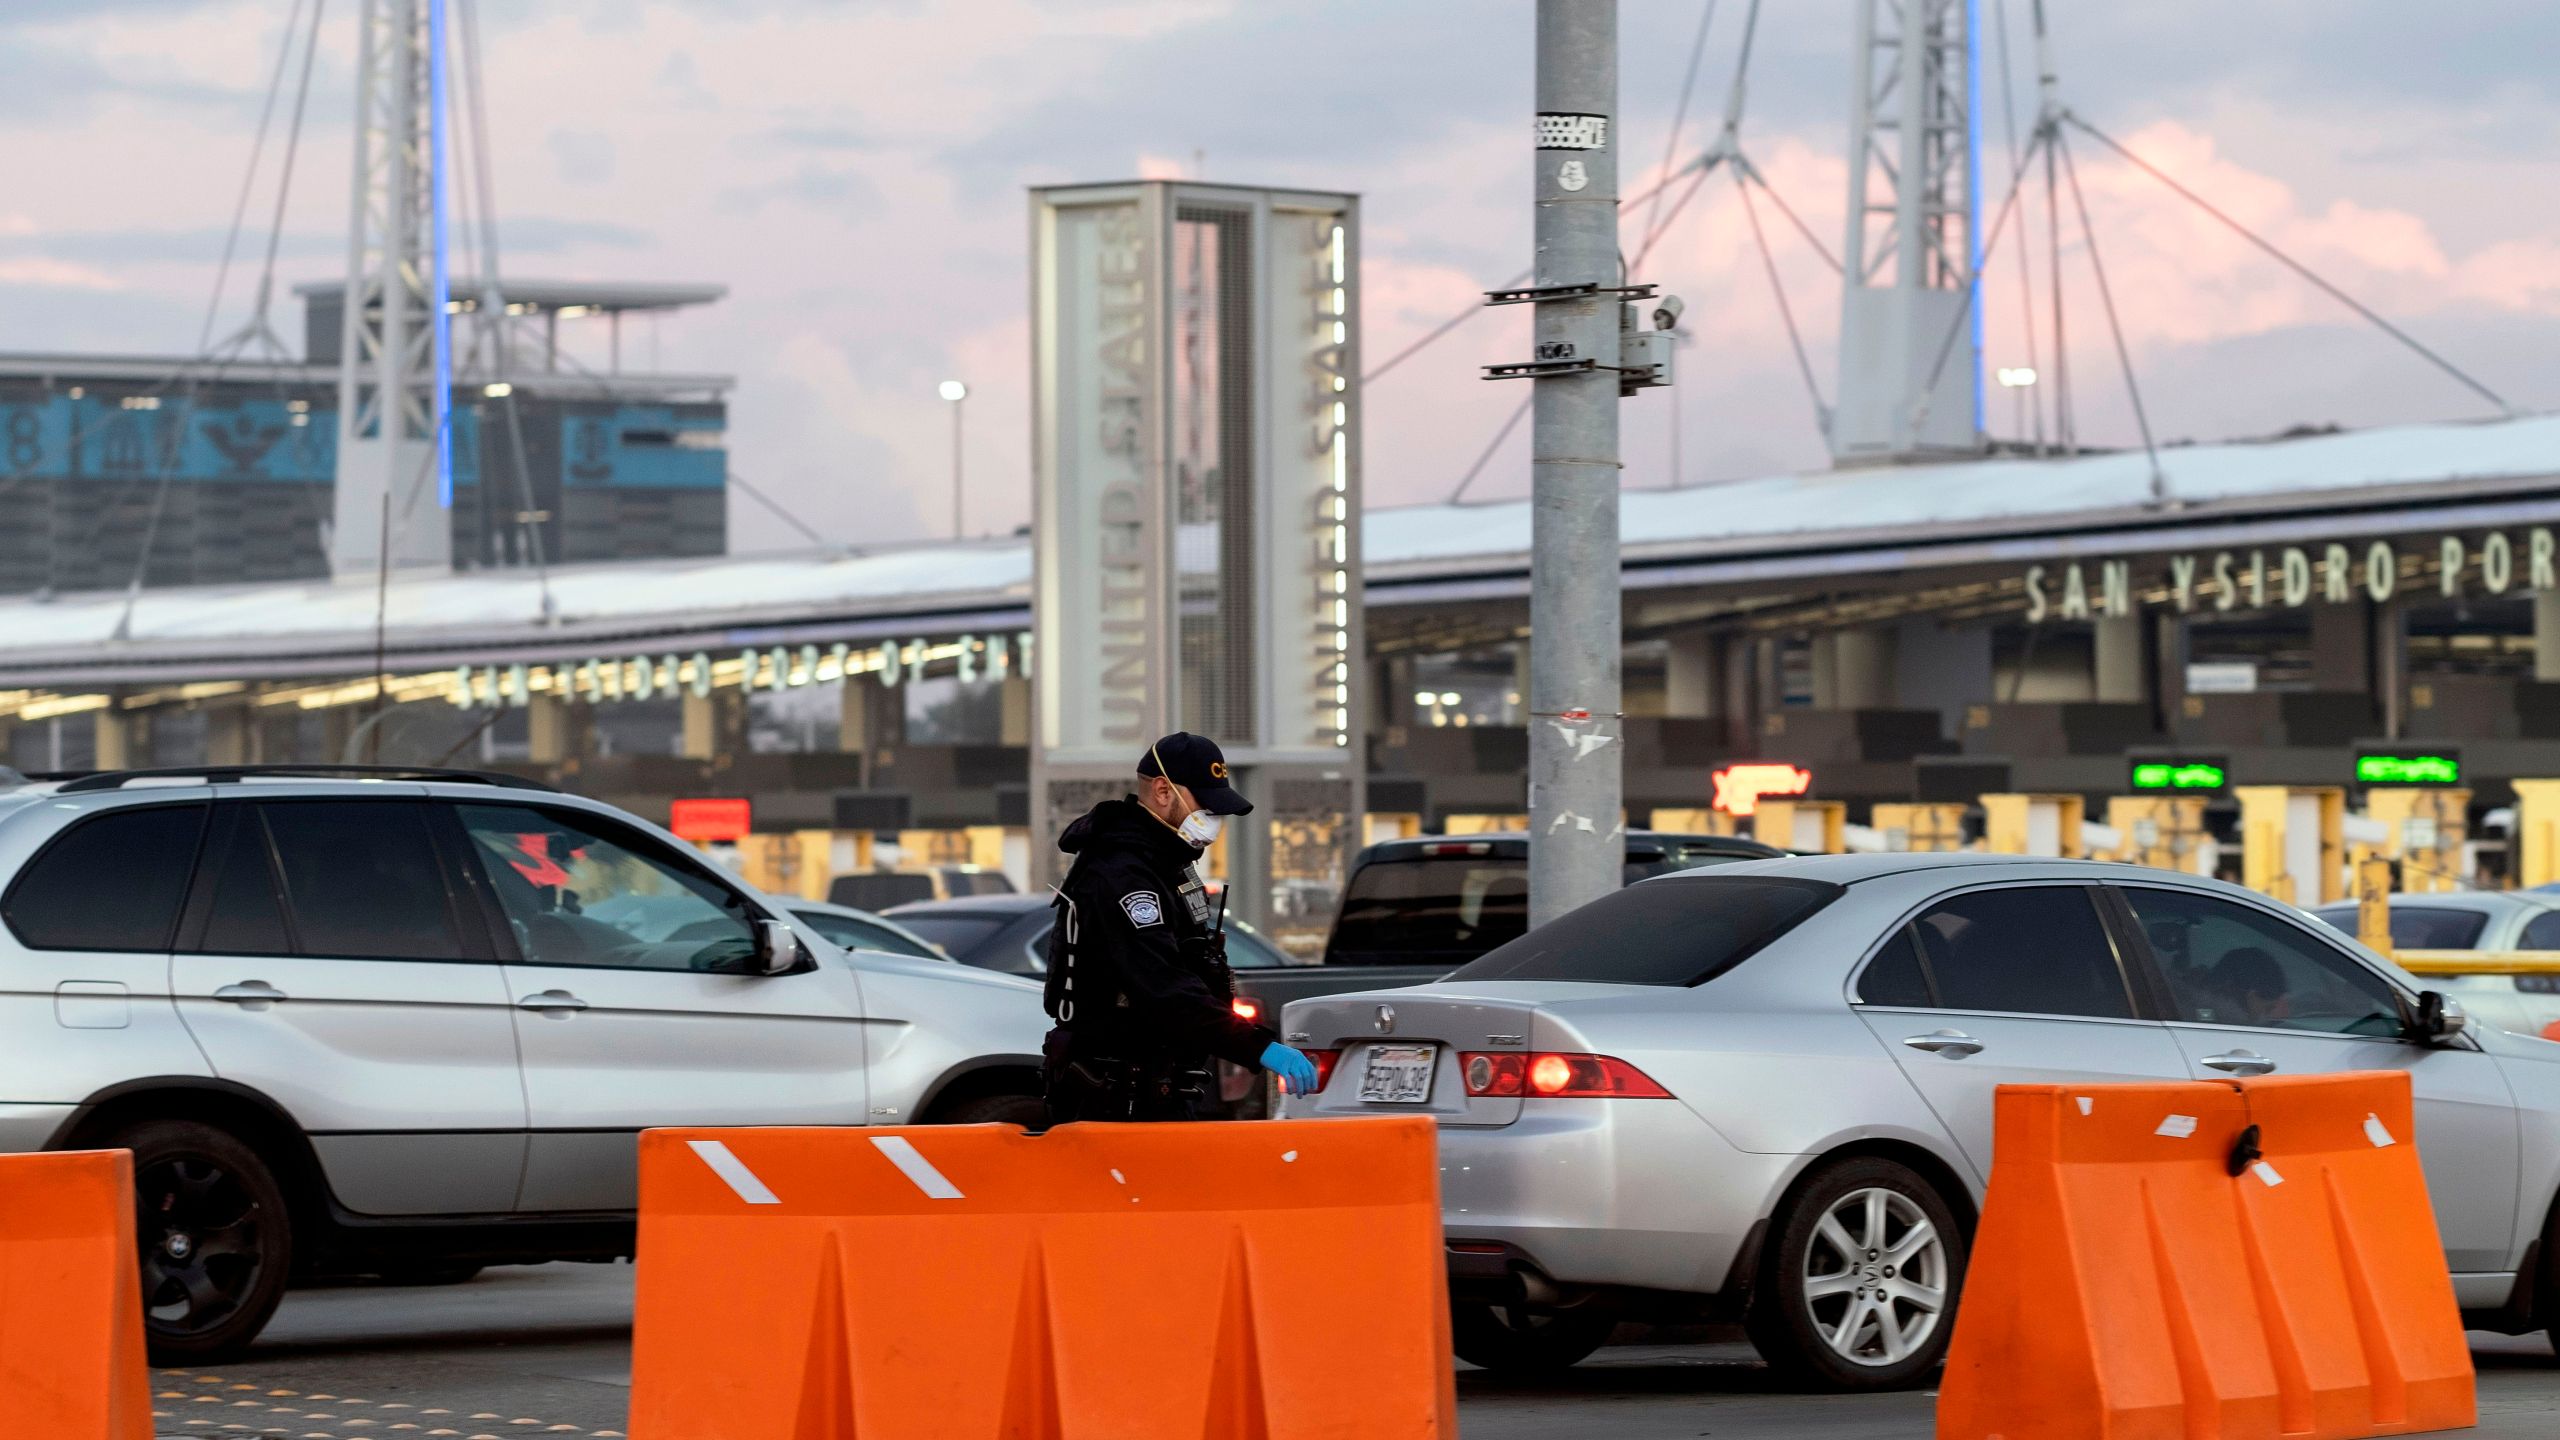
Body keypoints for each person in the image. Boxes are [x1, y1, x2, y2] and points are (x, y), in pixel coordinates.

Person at [1041, 732, 1322, 1123]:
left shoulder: (1165, 863)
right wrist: (1260, 1048)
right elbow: (1164, 990)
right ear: (1162, 791)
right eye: (1204, 805)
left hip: (1157, 1084)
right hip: (1115, 1096)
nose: (1213, 820)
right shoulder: (1122, 874)